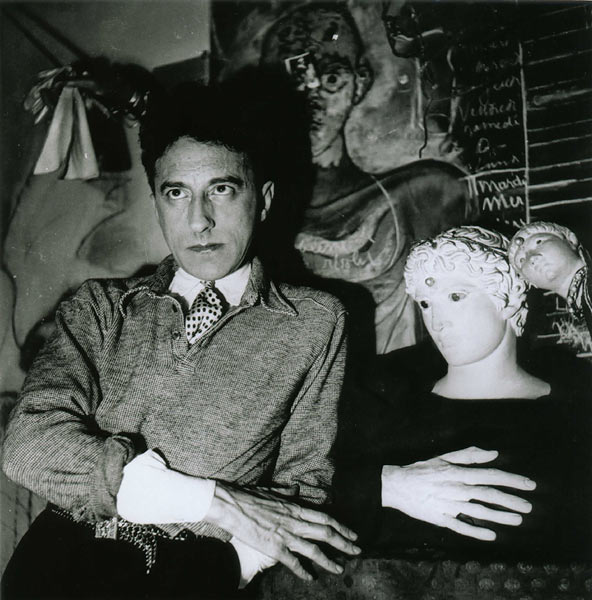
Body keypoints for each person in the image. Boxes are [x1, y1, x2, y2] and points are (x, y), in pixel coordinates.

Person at [1, 84, 360, 600]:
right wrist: (210, 501)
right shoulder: (100, 307)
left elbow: (299, 493)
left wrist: (221, 571)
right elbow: (28, 446)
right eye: (176, 193)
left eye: (222, 189)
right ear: (157, 203)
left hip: (192, 576)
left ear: (263, 200)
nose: (198, 220)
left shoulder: (314, 322)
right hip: (56, 568)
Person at [335, 226, 591, 560]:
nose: (437, 322)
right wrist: (381, 487)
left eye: (456, 297)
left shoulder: (576, 403)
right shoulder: (379, 397)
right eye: (425, 303)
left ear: (508, 298)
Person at [259, 3, 471, 354]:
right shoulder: (256, 220)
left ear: (360, 81)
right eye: (292, 85)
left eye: (331, 79)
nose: (311, 103)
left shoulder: (426, 194)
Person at [509, 220, 592, 340]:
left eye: (539, 242)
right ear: (531, 282)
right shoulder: (583, 301)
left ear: (570, 240)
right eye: (522, 260)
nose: (532, 258)